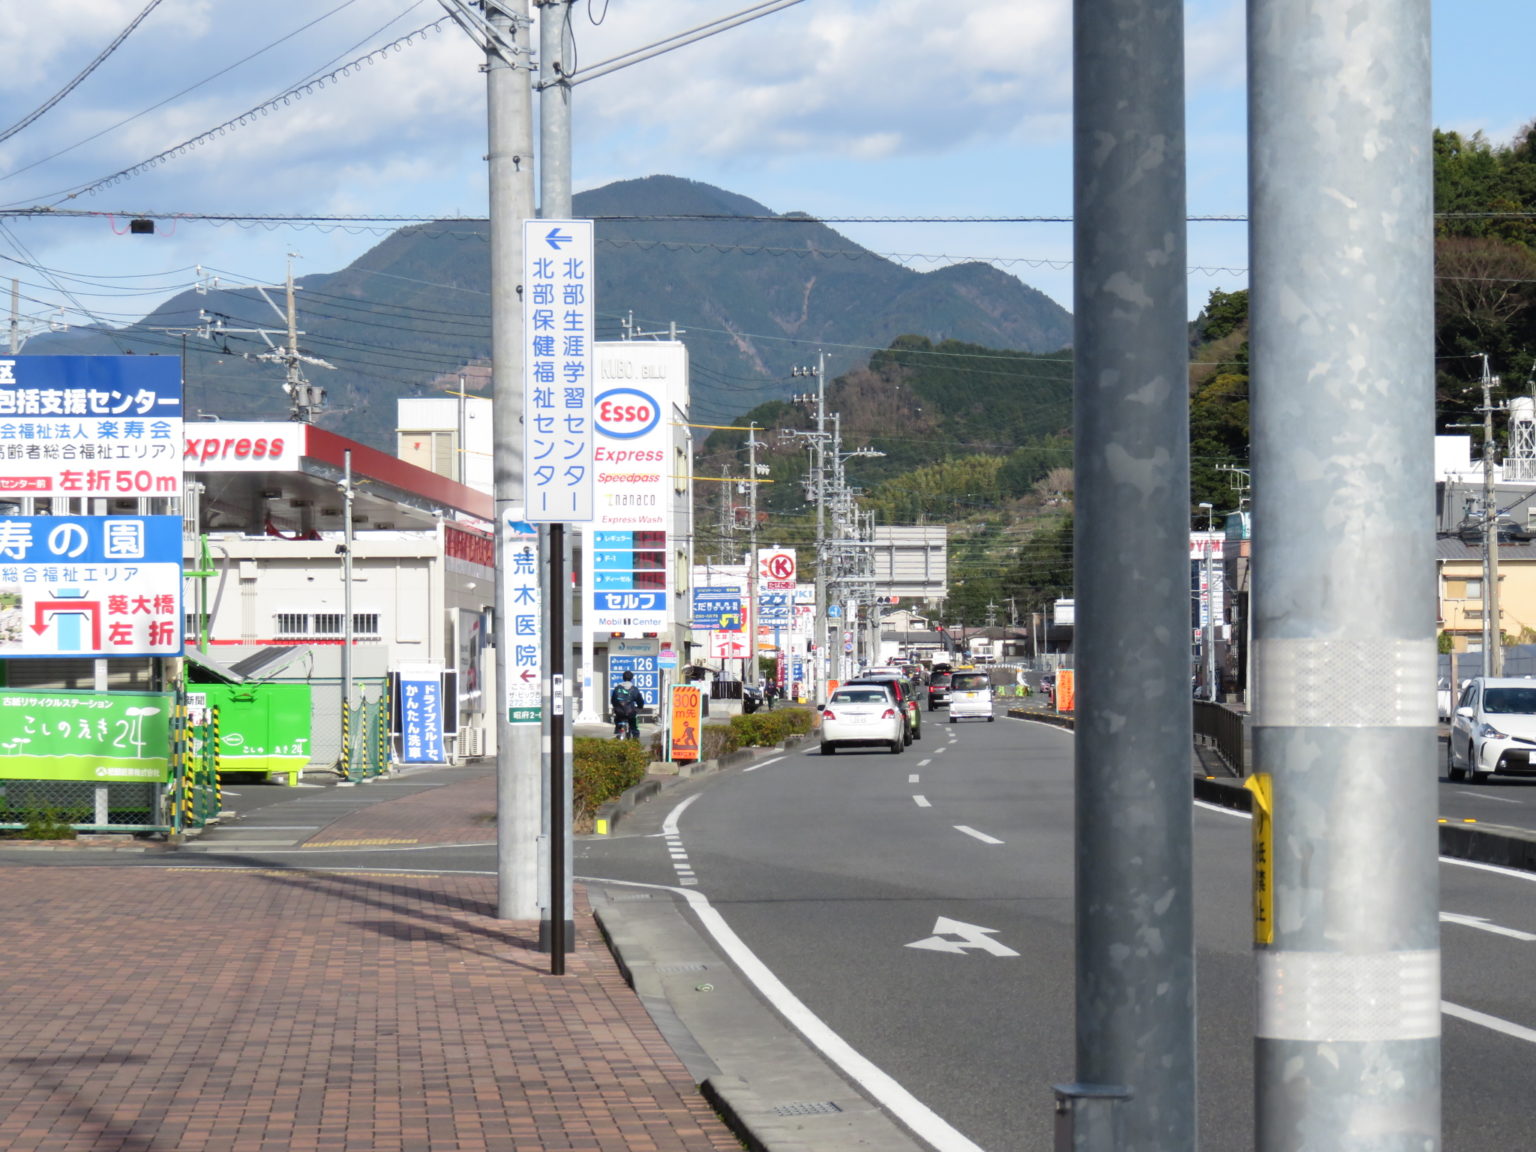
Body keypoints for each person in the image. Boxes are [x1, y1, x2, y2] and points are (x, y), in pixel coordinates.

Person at [610, 671, 643, 740]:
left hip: (619, 712)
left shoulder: (617, 688)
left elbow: (613, 700)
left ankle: (618, 731)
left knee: (618, 720)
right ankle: (635, 740)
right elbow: (639, 700)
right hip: (630, 712)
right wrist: (640, 707)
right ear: (632, 678)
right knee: (634, 725)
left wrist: (616, 707)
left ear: (623, 678)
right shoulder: (634, 689)